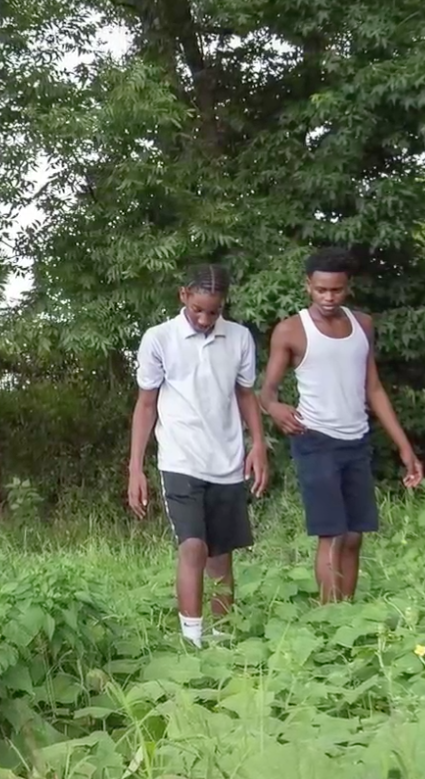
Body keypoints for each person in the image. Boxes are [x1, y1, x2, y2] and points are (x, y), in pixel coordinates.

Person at [261, 247, 423, 603]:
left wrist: (404, 446)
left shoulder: (362, 324)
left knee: (354, 535)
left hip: (356, 441)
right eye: (321, 290)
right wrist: (275, 409)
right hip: (314, 440)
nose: (328, 297)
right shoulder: (291, 331)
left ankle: (345, 612)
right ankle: (328, 614)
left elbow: (374, 388)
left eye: (336, 290)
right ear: (308, 286)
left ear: (347, 287)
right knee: (332, 535)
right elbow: (266, 392)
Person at [126, 264, 267, 648]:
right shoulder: (159, 339)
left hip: (226, 459)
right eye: (198, 310)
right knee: (193, 546)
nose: (205, 319)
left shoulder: (239, 338)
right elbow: (145, 405)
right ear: (183, 296)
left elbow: (245, 395)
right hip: (179, 459)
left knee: (220, 556)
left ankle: (222, 640)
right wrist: (135, 468)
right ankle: (192, 641)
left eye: (214, 311)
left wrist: (257, 444)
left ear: (224, 306)